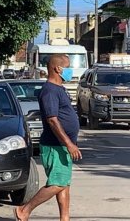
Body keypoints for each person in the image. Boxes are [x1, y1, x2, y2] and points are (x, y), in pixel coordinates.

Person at [15, 54, 82, 221]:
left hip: (62, 146)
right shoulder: (50, 91)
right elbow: (52, 120)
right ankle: (24, 210)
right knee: (57, 183)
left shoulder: (60, 89)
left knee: (64, 184)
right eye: (68, 67)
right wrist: (68, 143)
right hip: (55, 145)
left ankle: (64, 218)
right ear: (58, 69)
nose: (70, 70)